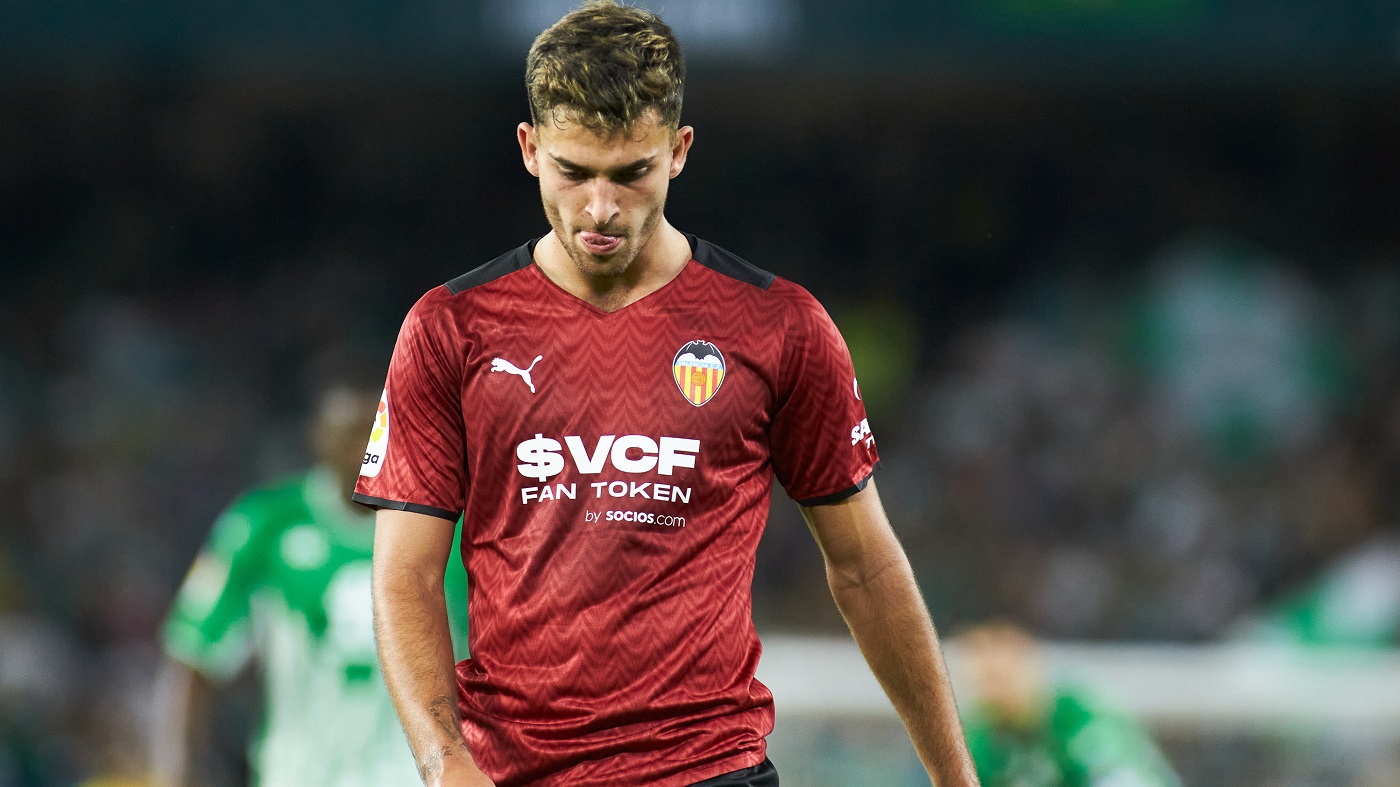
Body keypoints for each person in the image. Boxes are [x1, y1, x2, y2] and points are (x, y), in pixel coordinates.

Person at [353, 2, 979, 785]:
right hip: (516, 772)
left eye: (631, 173)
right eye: (574, 172)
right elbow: (405, 574)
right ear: (529, 148)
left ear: (678, 151)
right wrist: (446, 763)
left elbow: (866, 566)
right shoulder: (450, 328)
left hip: (711, 768)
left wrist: (958, 779)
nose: (601, 208)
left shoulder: (778, 326)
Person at [152, 378, 470, 786]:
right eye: (350, 433)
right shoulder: (265, 525)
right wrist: (176, 772)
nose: (364, 447)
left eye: (377, 429)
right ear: (318, 438)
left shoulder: (453, 528)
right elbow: (194, 654)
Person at [958, 622, 1181, 787]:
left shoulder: (1080, 711)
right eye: (983, 682)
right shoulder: (981, 736)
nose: (993, 691)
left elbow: (1117, 777)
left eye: (998, 678)